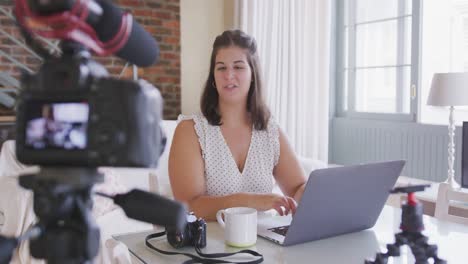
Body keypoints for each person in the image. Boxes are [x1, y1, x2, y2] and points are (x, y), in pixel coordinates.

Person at [169, 30, 307, 221]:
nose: (229, 75)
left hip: (262, 245)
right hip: (207, 246)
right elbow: (189, 206)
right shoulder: (190, 131)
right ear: (213, 77)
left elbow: (298, 189)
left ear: (252, 74)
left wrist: (317, 190)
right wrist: (250, 201)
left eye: (238, 67)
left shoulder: (270, 132)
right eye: (221, 68)